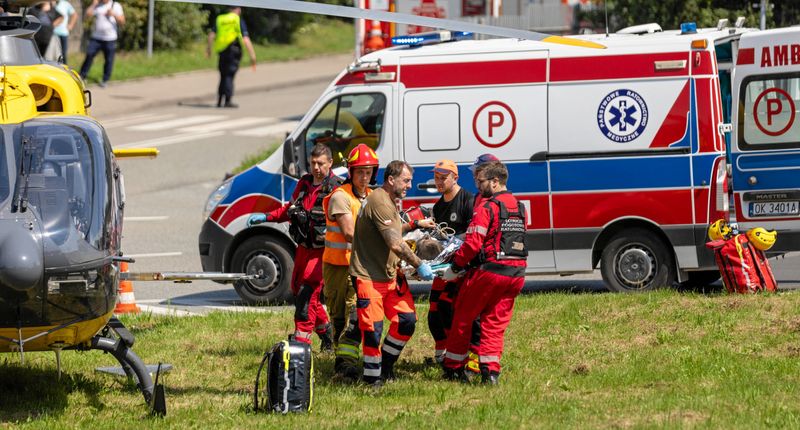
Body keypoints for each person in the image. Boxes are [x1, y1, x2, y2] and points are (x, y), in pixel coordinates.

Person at [349, 160, 436, 387]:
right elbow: (395, 243)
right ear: (391, 179)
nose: (409, 185)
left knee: (406, 321)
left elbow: (391, 230)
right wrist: (419, 264)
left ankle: (385, 367)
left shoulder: (389, 200)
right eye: (406, 180)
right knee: (373, 331)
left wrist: (415, 224)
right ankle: (371, 379)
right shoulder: (380, 202)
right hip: (369, 277)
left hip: (389, 275)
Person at [442, 160, 527, 385]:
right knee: (495, 323)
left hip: (488, 273)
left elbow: (472, 244)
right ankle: (490, 373)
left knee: (462, 317)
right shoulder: (519, 207)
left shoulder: (487, 207)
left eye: (481, 182)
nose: (478, 187)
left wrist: (455, 268)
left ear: (495, 182)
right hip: (516, 274)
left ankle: (453, 368)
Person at [247, 144, 339, 350]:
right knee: (298, 289)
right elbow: (291, 209)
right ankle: (327, 334)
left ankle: (301, 344)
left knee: (307, 294)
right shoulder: (304, 183)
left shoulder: (336, 189)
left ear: (330, 163)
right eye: (313, 163)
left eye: (320, 163)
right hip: (303, 248)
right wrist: (266, 217)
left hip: (322, 251)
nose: (316, 167)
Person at [322, 144, 378, 380]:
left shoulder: (375, 197)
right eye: (360, 172)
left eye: (368, 172)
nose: (364, 177)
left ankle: (347, 363)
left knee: (356, 312)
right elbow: (349, 233)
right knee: (339, 316)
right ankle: (342, 360)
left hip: (362, 266)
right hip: (338, 266)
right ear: (351, 173)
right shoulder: (340, 197)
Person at [426, 159, 481, 369]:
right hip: (443, 268)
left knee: (449, 309)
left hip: (462, 268)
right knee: (434, 313)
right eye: (436, 177)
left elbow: (473, 236)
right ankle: (443, 353)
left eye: (443, 177)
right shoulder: (439, 206)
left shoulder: (468, 200)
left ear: (455, 178)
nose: (439, 182)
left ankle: (464, 355)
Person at [206, 6, 256, 108]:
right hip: (233, 51)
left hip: (222, 51)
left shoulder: (220, 19)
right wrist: (252, 55)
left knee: (223, 75)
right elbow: (245, 39)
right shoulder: (237, 19)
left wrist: (209, 50)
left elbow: (211, 35)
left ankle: (220, 100)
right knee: (229, 75)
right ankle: (227, 100)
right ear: (238, 9)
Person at [79, 0, 125, 87]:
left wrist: (114, 14)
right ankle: (82, 76)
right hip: (96, 38)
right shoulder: (97, 5)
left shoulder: (115, 5)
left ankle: (105, 79)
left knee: (109, 60)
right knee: (89, 55)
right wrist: (93, 4)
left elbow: (122, 21)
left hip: (110, 38)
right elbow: (86, 16)